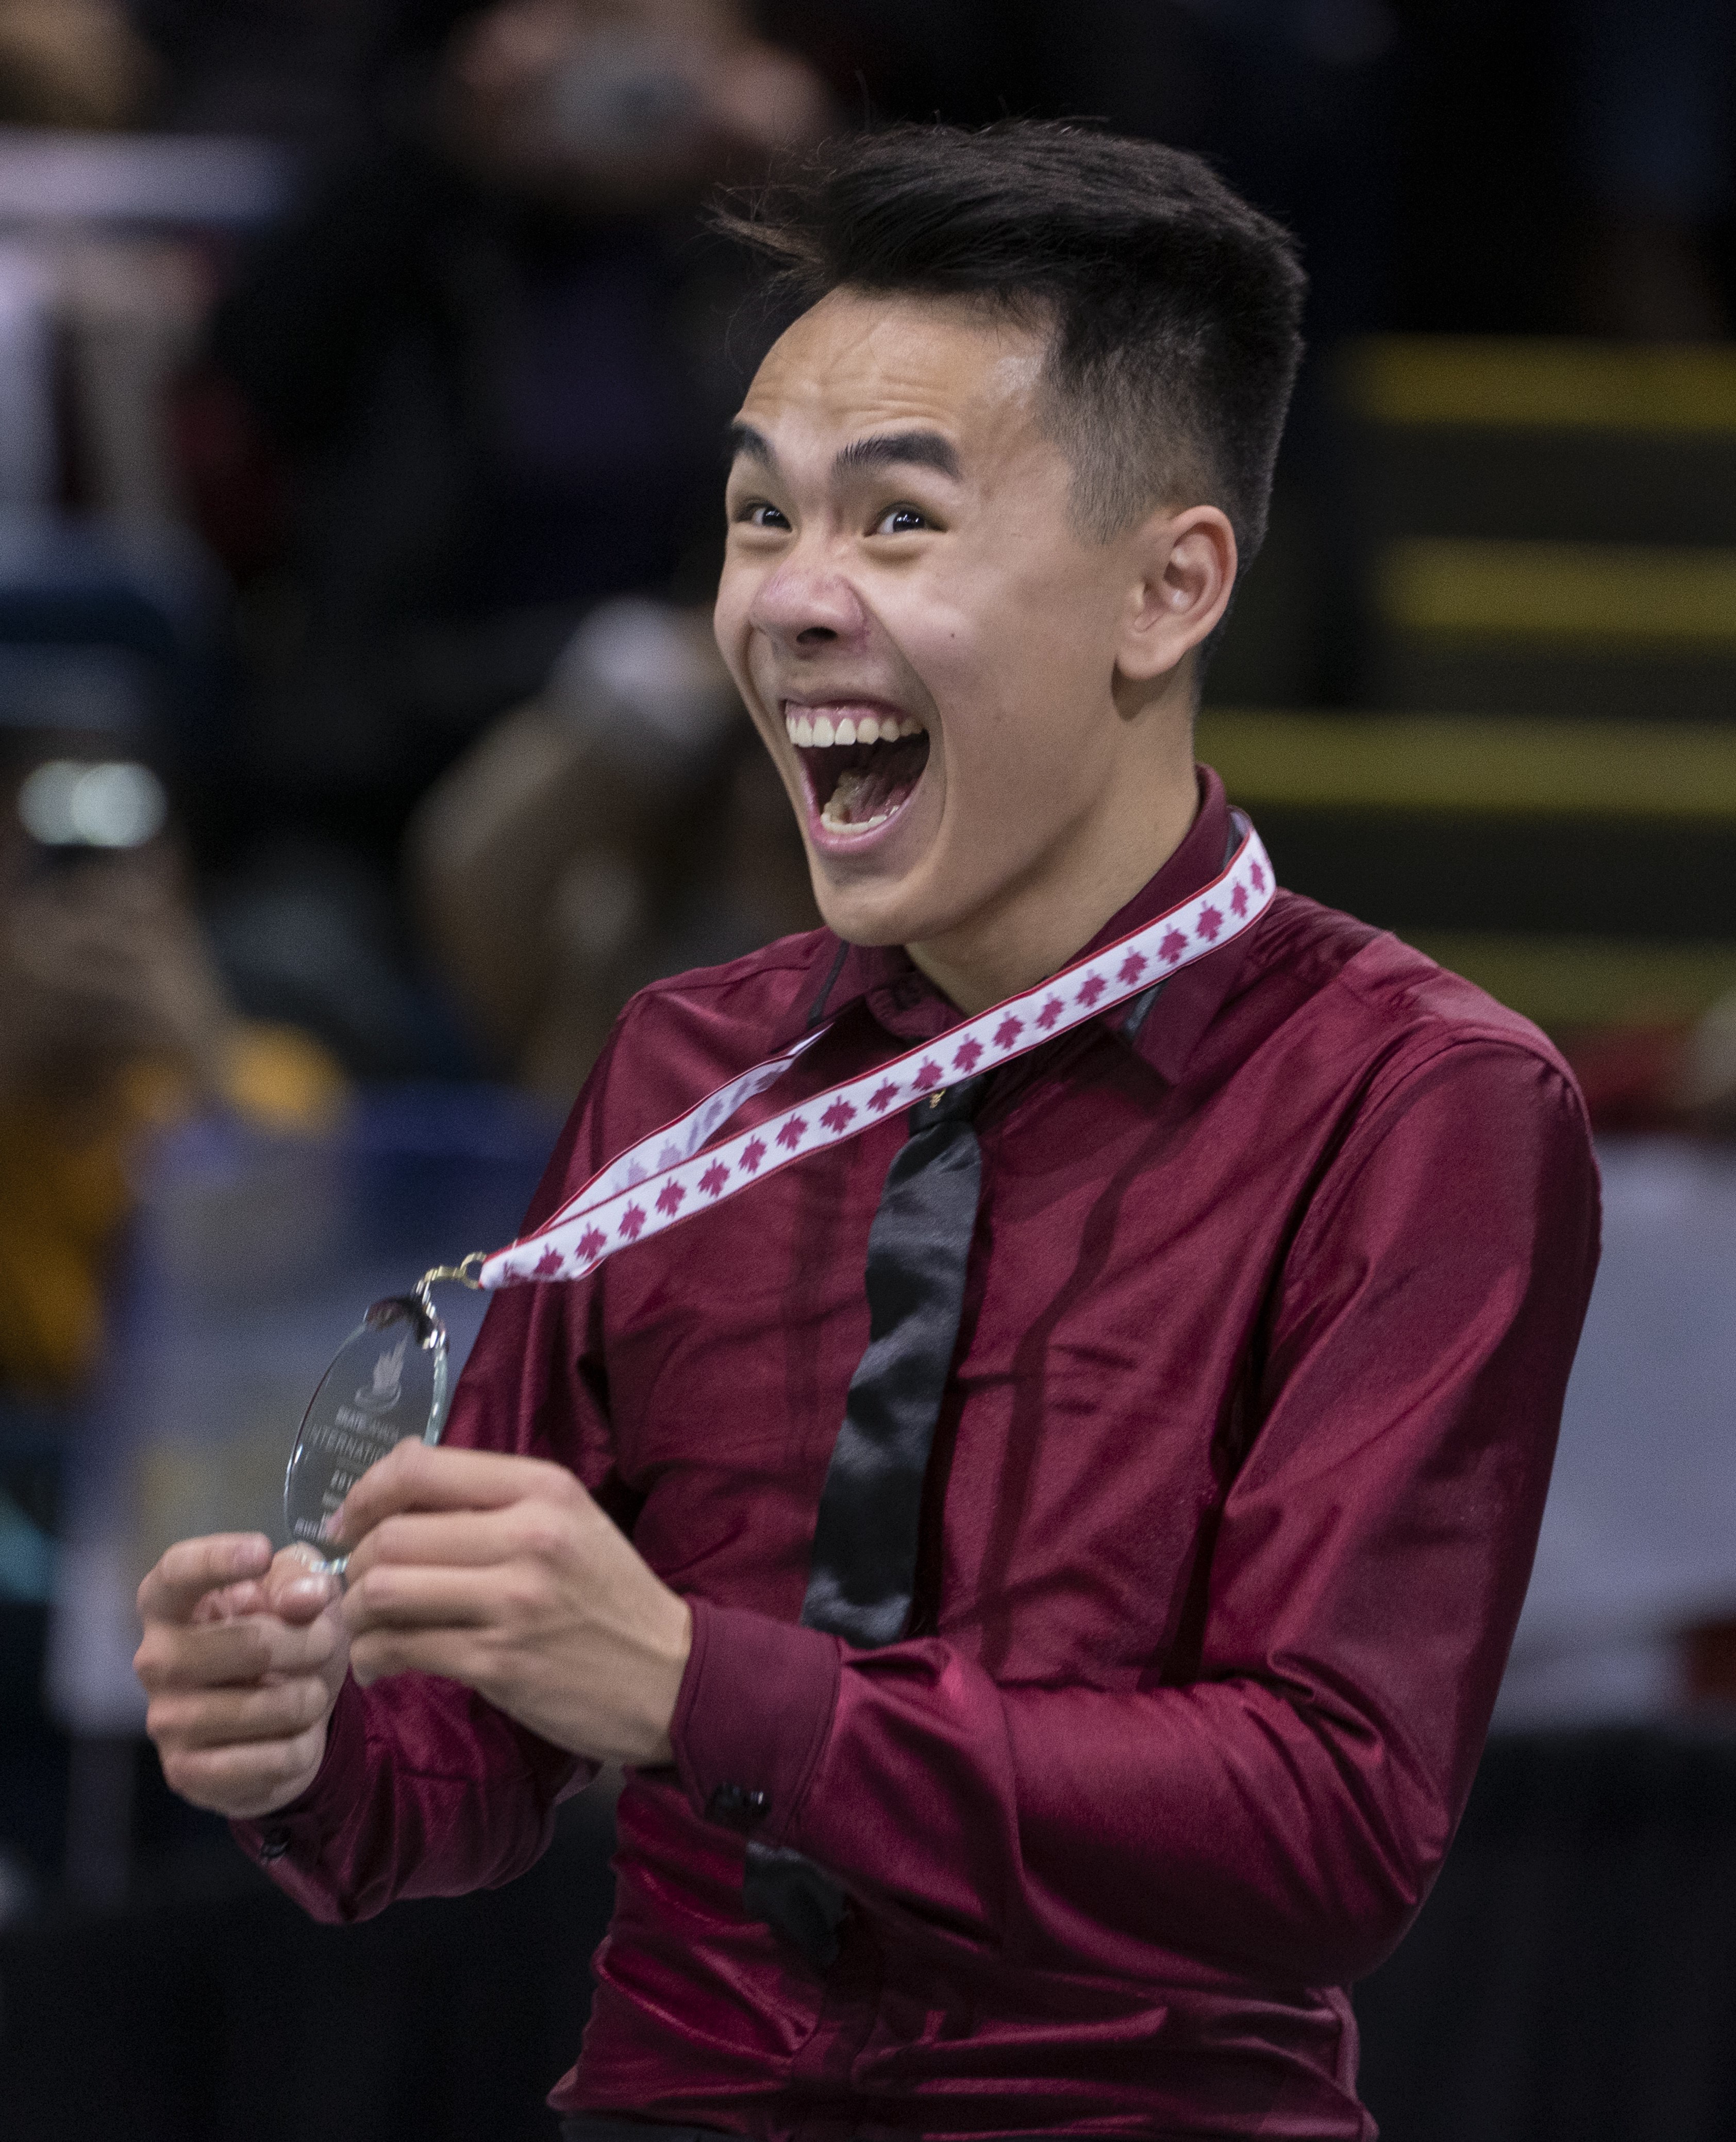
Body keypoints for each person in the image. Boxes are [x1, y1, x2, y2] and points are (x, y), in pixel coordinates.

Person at [133, 124, 1601, 2139]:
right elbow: (469, 1760)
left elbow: (1324, 1824)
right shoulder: (686, 1066)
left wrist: (699, 1685)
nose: (791, 602)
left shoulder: (1418, 1102)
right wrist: (306, 1739)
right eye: (759, 518)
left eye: (899, 523)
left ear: (1167, 588)